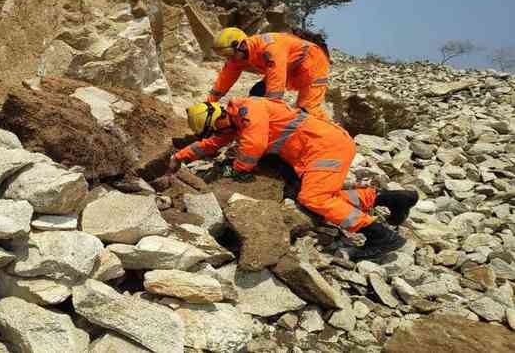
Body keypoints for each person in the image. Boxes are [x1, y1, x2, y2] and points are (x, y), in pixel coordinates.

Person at [168, 98, 417, 260]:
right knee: (324, 198)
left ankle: (379, 234)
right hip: (320, 147)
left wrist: (237, 170)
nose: (217, 134)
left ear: (215, 120)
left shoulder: (248, 110)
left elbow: (254, 146)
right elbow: (212, 144)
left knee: (313, 197)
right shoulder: (233, 120)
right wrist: (180, 156)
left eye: (213, 129)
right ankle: (391, 199)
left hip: (324, 147)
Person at [207, 27, 332, 121]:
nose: (230, 59)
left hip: (313, 63)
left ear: (241, 45)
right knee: (257, 93)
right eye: (225, 56)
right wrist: (209, 104)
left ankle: (332, 135)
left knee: (307, 109)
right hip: (290, 66)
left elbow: (275, 89)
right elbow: (223, 81)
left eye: (229, 55)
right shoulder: (238, 56)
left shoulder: (270, 48)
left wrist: (266, 117)